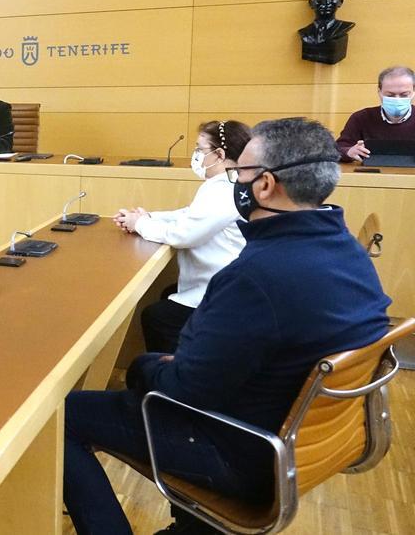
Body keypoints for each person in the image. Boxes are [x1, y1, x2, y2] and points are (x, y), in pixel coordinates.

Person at [64, 118, 390, 535]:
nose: (234, 181)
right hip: (297, 445)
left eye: (240, 174)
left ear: (266, 185)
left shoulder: (255, 277)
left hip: (240, 452)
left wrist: (145, 367)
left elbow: (180, 392)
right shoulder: (348, 251)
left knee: (65, 415)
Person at [113, 120, 252, 354]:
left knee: (157, 316)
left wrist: (140, 224)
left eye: (200, 149)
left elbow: (183, 234)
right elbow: (190, 215)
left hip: (221, 290)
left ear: (219, 154)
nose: (196, 155)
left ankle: (169, 383)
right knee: (168, 293)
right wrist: (149, 217)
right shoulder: (229, 183)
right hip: (224, 282)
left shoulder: (221, 190)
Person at [336, 65, 415, 162]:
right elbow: (337, 149)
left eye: (404, 95)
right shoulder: (361, 117)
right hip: (371, 175)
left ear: (413, 92)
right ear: (379, 92)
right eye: (390, 95)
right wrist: (349, 152)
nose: (397, 99)